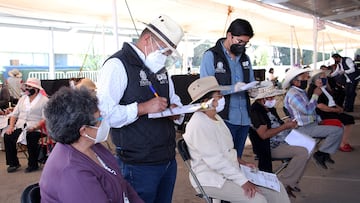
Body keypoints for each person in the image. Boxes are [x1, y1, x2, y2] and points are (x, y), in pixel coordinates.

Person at [96, 15, 184, 203]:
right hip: (137, 163)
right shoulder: (117, 65)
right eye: (164, 51)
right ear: (147, 40)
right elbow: (104, 115)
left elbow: (174, 98)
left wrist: (176, 111)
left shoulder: (160, 68)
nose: (165, 58)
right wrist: (142, 108)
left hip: (167, 157)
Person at [183, 76, 290, 203]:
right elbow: (215, 160)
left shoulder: (216, 117)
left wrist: (241, 162)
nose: (223, 98)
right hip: (212, 179)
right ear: (207, 101)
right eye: (219, 96)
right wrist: (243, 182)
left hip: (228, 172)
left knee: (277, 189)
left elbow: (226, 151)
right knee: (257, 200)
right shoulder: (199, 124)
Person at [40, 87, 144, 203]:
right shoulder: (72, 172)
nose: (104, 120)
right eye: (100, 118)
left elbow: (123, 186)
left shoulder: (91, 146)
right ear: (83, 130)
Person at [200, 18, 255, 158]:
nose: (242, 46)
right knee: (223, 160)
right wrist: (232, 88)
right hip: (223, 118)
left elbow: (251, 81)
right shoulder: (211, 56)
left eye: (246, 43)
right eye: (240, 41)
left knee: (237, 160)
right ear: (229, 35)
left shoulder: (245, 58)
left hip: (244, 118)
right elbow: (206, 88)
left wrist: (257, 89)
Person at [249, 81, 309, 198]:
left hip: (282, 139)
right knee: (302, 152)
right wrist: (284, 126)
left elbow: (277, 123)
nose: (273, 99)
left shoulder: (268, 108)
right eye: (271, 97)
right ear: (262, 98)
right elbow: (264, 135)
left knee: (309, 147)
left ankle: (292, 181)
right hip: (269, 147)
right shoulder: (256, 111)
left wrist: (288, 125)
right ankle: (285, 184)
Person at [283, 67, 343, 170]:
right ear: (296, 82)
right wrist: (315, 95)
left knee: (338, 126)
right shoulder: (294, 94)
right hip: (304, 127)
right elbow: (307, 110)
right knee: (336, 131)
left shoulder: (300, 92)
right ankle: (321, 154)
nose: (306, 79)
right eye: (304, 78)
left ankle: (325, 153)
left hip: (312, 123)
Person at [4, 78, 48, 173]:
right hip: (21, 127)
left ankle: (33, 164)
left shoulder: (44, 100)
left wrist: (35, 127)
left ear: (36, 89)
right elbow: (14, 115)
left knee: (31, 137)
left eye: (30, 87)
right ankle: (13, 163)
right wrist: (11, 127)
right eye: (27, 86)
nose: (27, 88)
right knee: (8, 136)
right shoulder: (22, 99)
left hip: (36, 128)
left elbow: (45, 119)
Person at [307, 70, 355, 152]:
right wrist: (335, 110)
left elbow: (331, 100)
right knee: (347, 120)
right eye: (323, 78)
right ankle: (342, 143)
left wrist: (338, 107)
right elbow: (320, 106)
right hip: (323, 114)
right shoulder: (314, 89)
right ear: (316, 79)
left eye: (325, 78)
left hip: (330, 110)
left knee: (348, 118)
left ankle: (343, 142)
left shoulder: (323, 87)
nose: (325, 79)